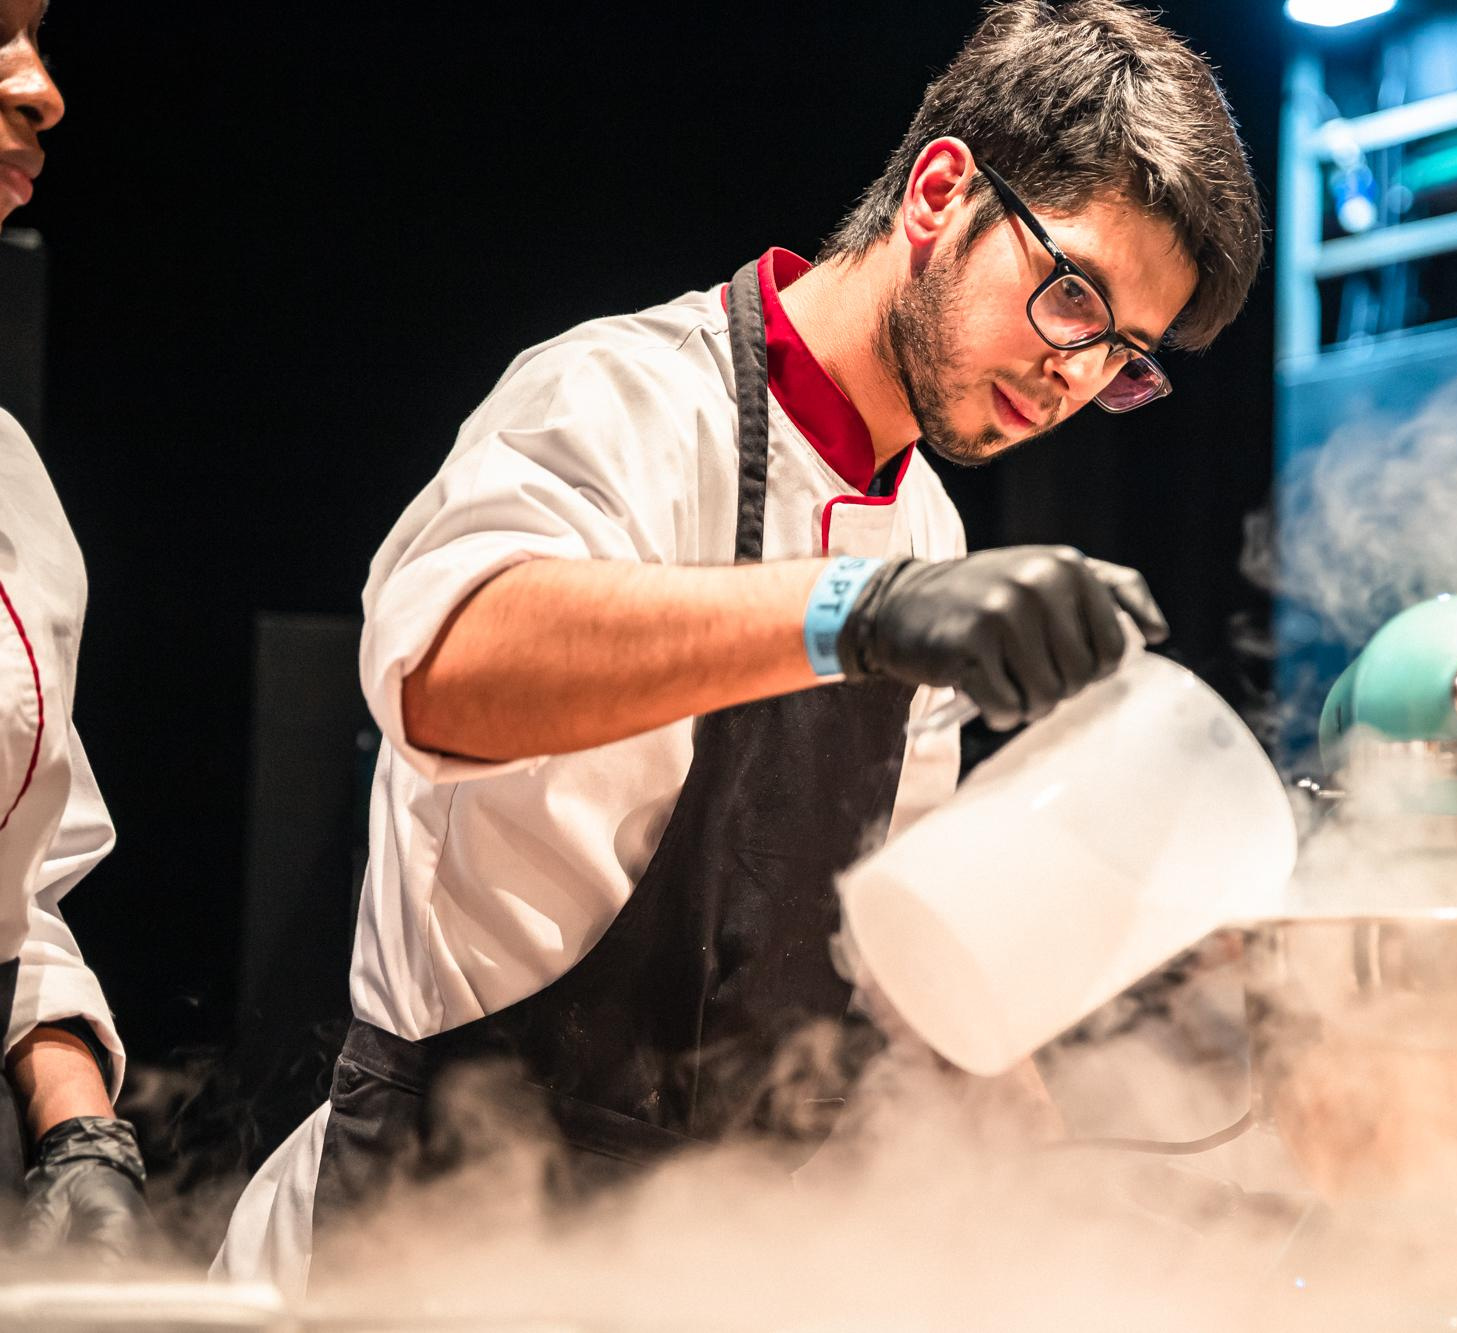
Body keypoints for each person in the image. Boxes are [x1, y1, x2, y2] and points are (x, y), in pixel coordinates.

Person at [217, 0, 1262, 1290]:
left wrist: (1074, 1227)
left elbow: (906, 954)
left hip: (701, 1258)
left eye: (1121, 357)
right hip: (437, 1227)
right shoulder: (624, 396)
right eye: (1070, 297)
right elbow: (450, 670)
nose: (1071, 378)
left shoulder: (924, 523)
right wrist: (854, 613)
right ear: (940, 192)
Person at [0, 0, 152, 1261]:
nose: (41, 91)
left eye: (39, 35)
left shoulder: (10, 482)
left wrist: (75, 1134)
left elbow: (15, 893)